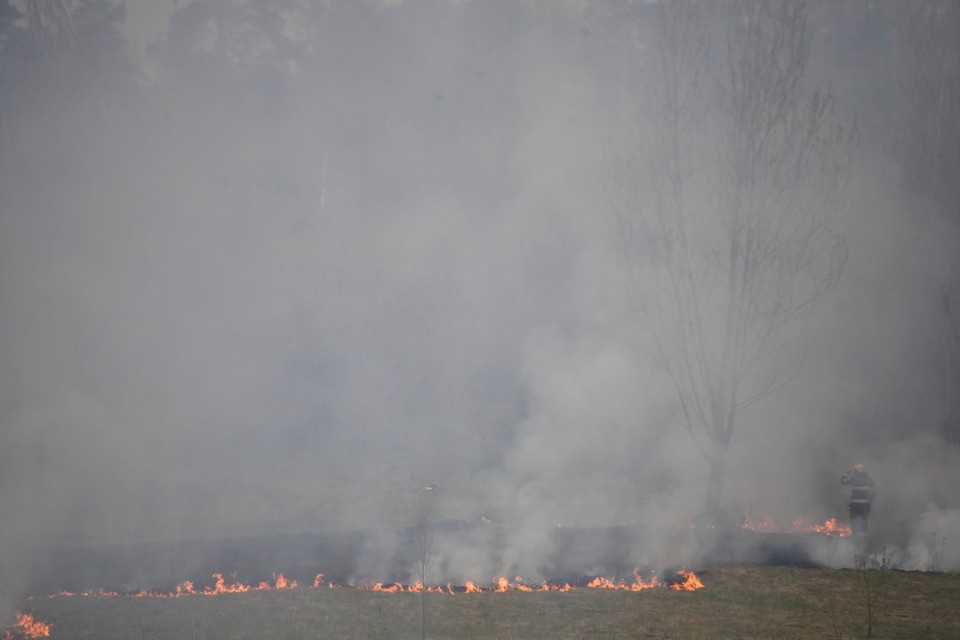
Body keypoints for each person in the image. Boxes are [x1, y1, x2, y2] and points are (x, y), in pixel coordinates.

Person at [841, 464, 875, 533]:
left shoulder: (853, 479)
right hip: (865, 505)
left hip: (855, 505)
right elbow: (874, 491)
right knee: (863, 522)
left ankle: (854, 539)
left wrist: (847, 473)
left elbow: (843, 481)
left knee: (854, 522)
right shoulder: (869, 479)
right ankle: (862, 539)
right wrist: (870, 500)